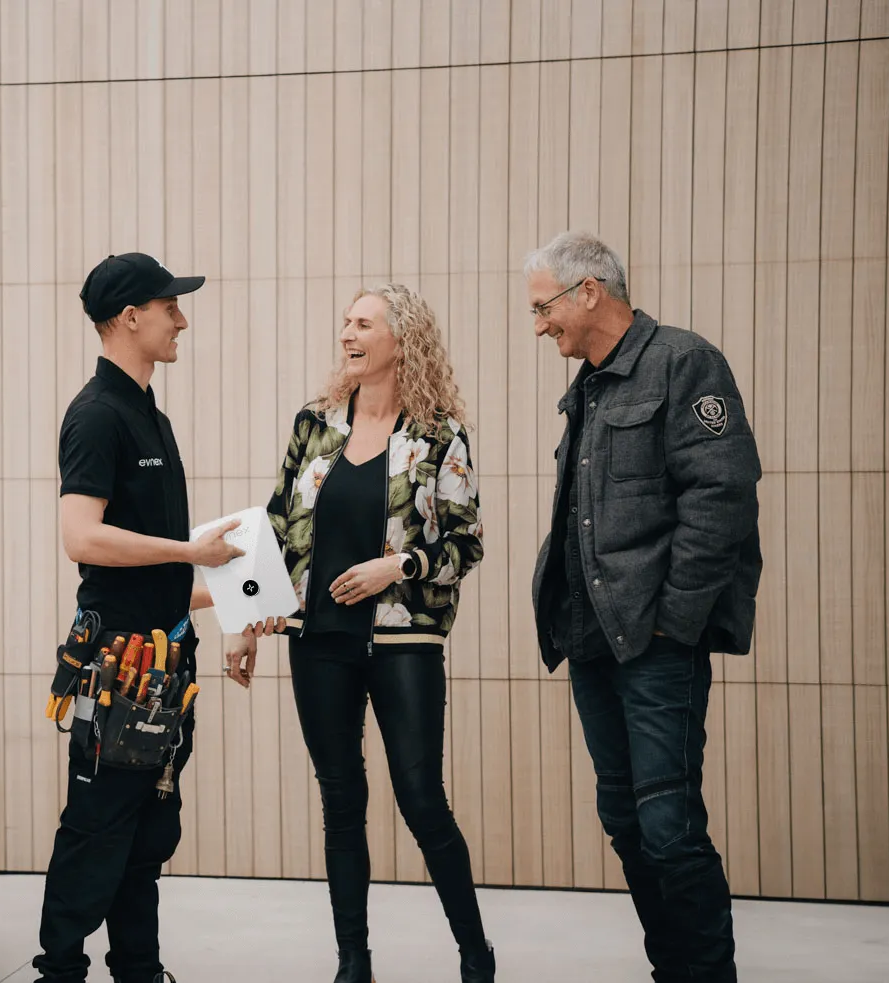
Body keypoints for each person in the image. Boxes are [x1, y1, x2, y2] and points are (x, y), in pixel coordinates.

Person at [231, 283, 496, 983]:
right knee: (341, 800)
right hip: (318, 639)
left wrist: (398, 565)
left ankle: (475, 951)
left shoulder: (440, 434)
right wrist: (245, 621)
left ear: (400, 340)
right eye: (345, 322)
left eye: (362, 323)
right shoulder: (315, 424)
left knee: (420, 797)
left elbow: (466, 546)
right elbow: (274, 525)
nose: (347, 333)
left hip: (404, 640)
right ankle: (354, 960)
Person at [524, 230, 761, 982]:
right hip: (593, 639)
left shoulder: (684, 362)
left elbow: (722, 494)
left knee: (668, 825)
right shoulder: (589, 386)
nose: (539, 326)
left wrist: (674, 619)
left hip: (656, 642)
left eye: (544, 308)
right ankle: (675, 968)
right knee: (625, 818)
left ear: (589, 290)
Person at [32, 251, 245, 983]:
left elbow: (159, 578)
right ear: (130, 317)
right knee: (95, 830)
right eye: (169, 306)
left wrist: (250, 595)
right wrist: (190, 549)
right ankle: (57, 971)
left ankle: (139, 970)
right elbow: (81, 538)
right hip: (119, 669)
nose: (181, 318)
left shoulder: (150, 415)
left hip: (162, 667)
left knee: (145, 832)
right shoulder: (96, 417)